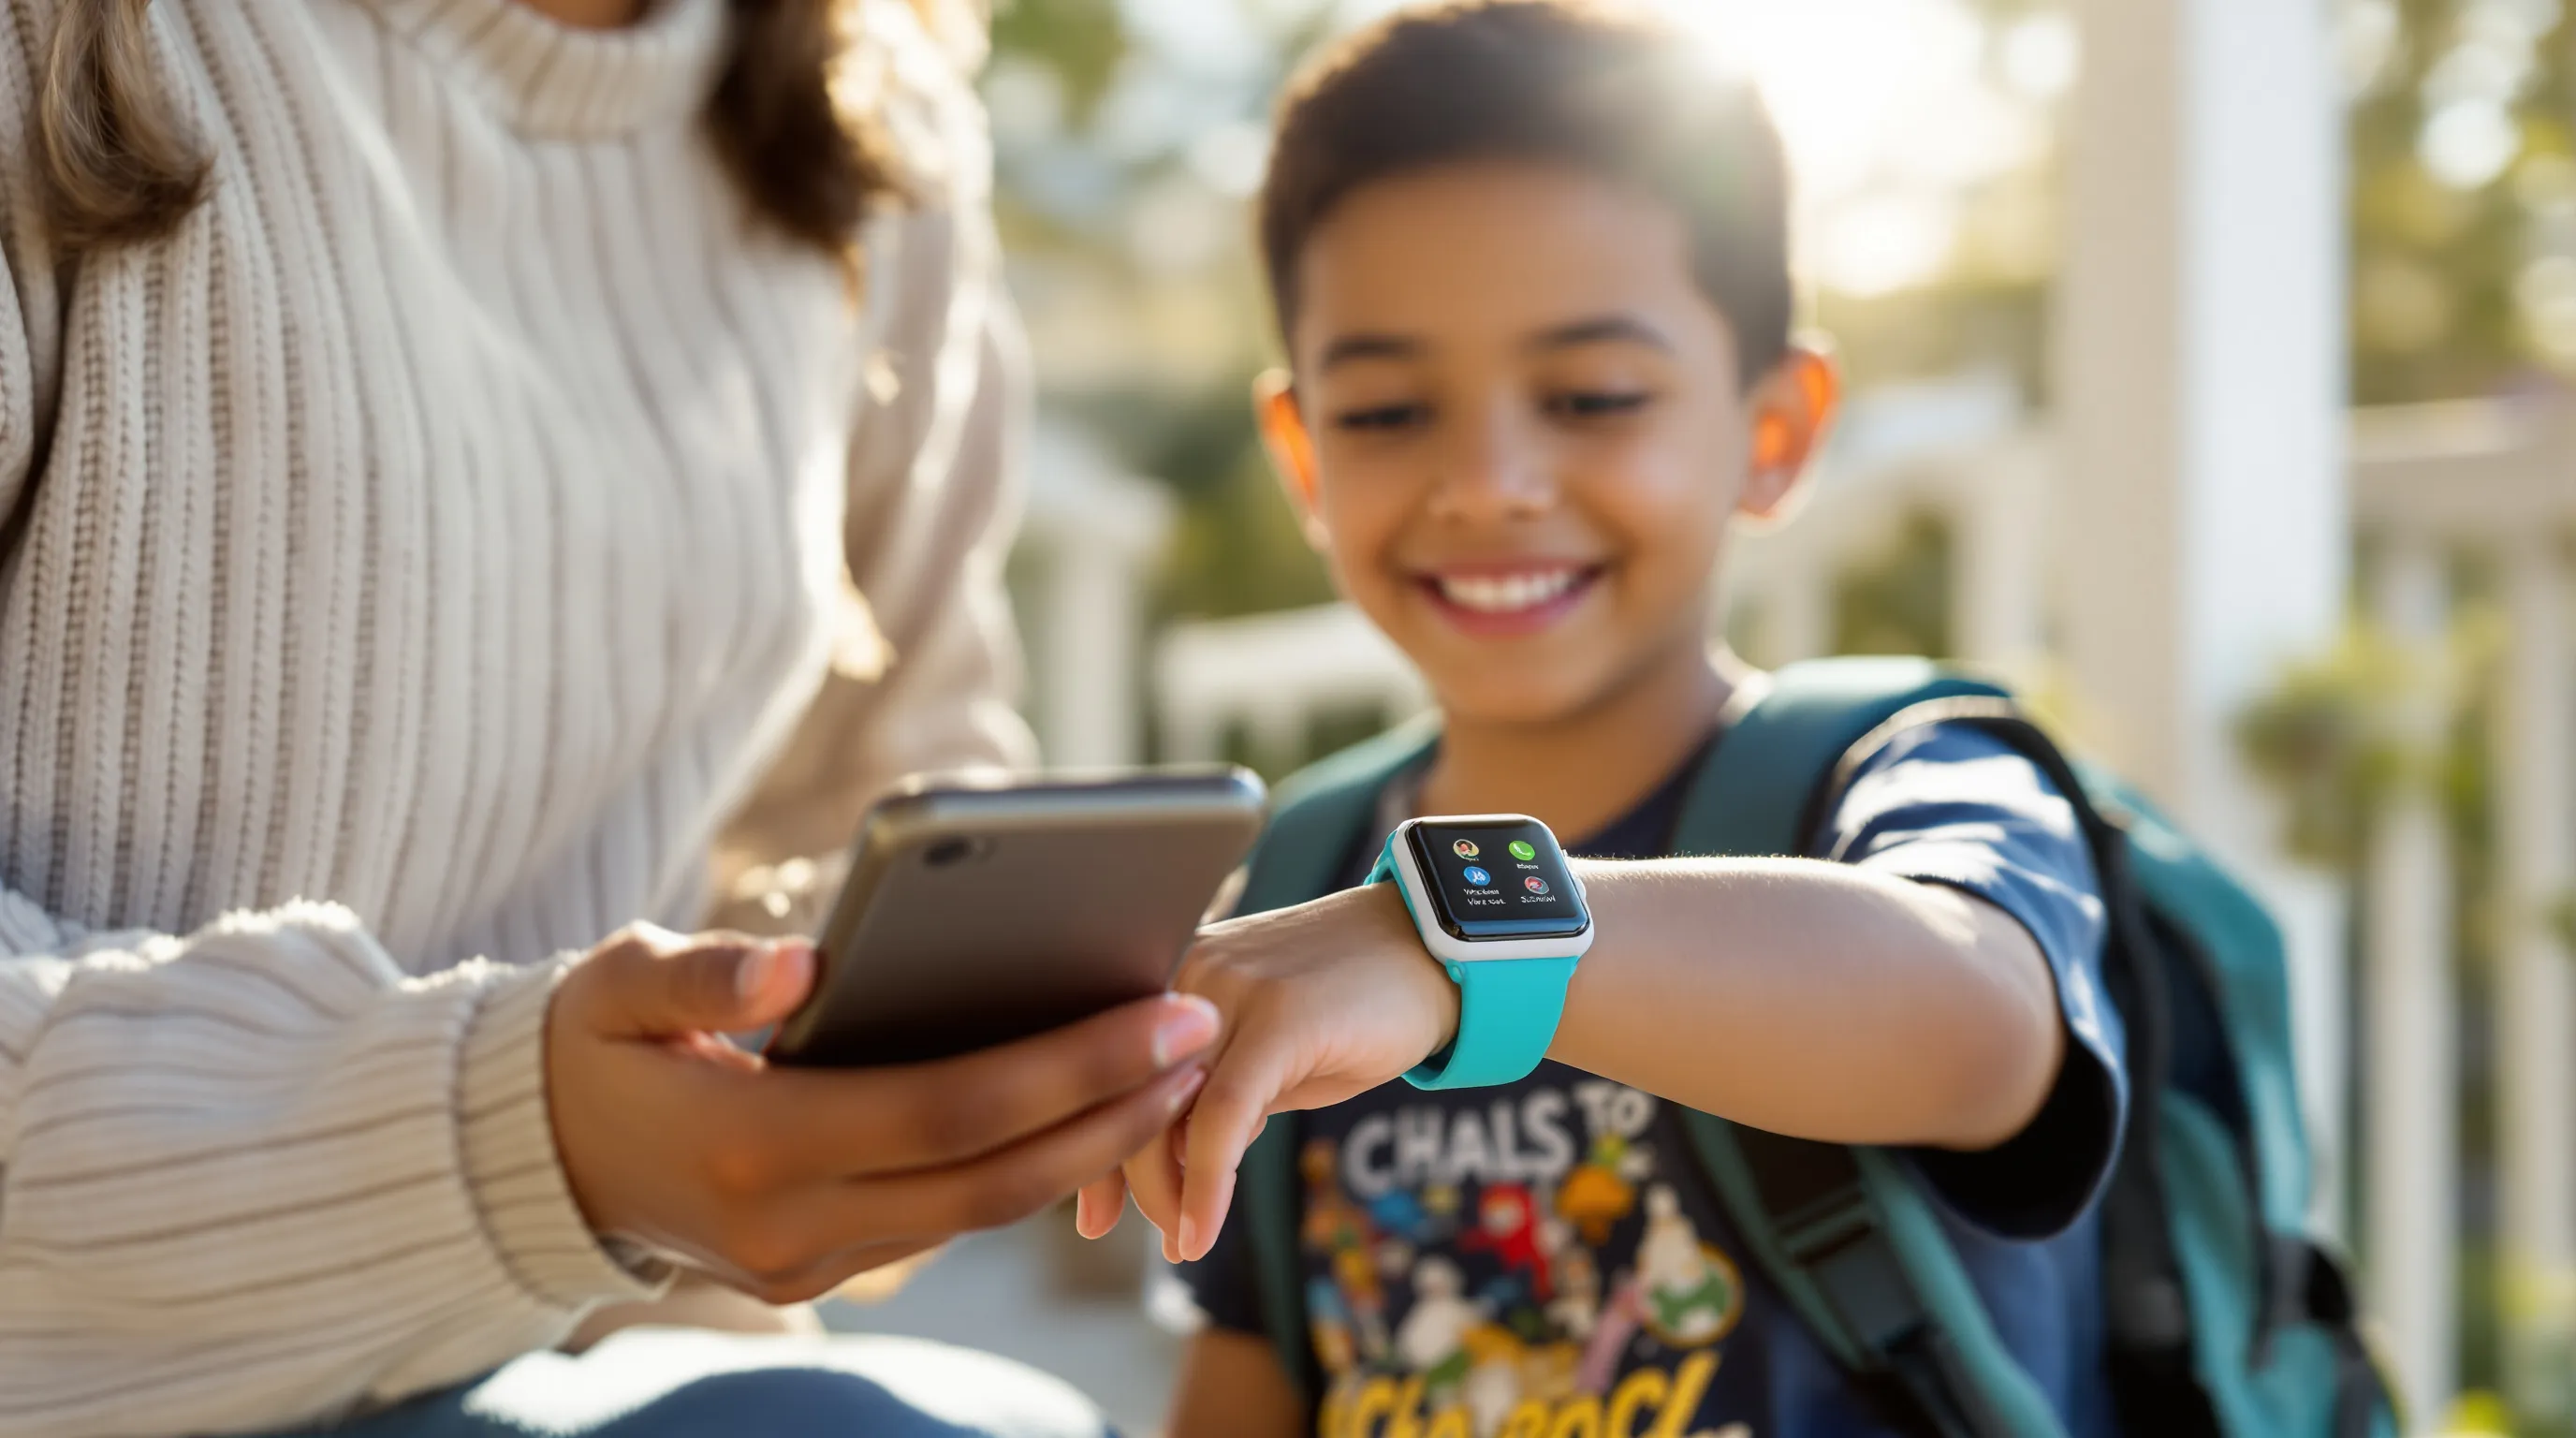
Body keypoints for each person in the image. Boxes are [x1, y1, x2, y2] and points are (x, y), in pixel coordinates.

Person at [0, 0, 1217, 1433]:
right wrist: (512, 1142)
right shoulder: (66, 48)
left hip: (584, 1342)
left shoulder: (861, 111)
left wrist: (833, 1086)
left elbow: (887, 789)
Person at [1078, 4, 2128, 1434]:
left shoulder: (1899, 775)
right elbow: (1248, 1378)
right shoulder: (1303, 880)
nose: (1488, 481)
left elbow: (1986, 1023)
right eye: (1387, 413)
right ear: (1304, 454)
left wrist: (1453, 941)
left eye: (1590, 396)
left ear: (1776, 430)